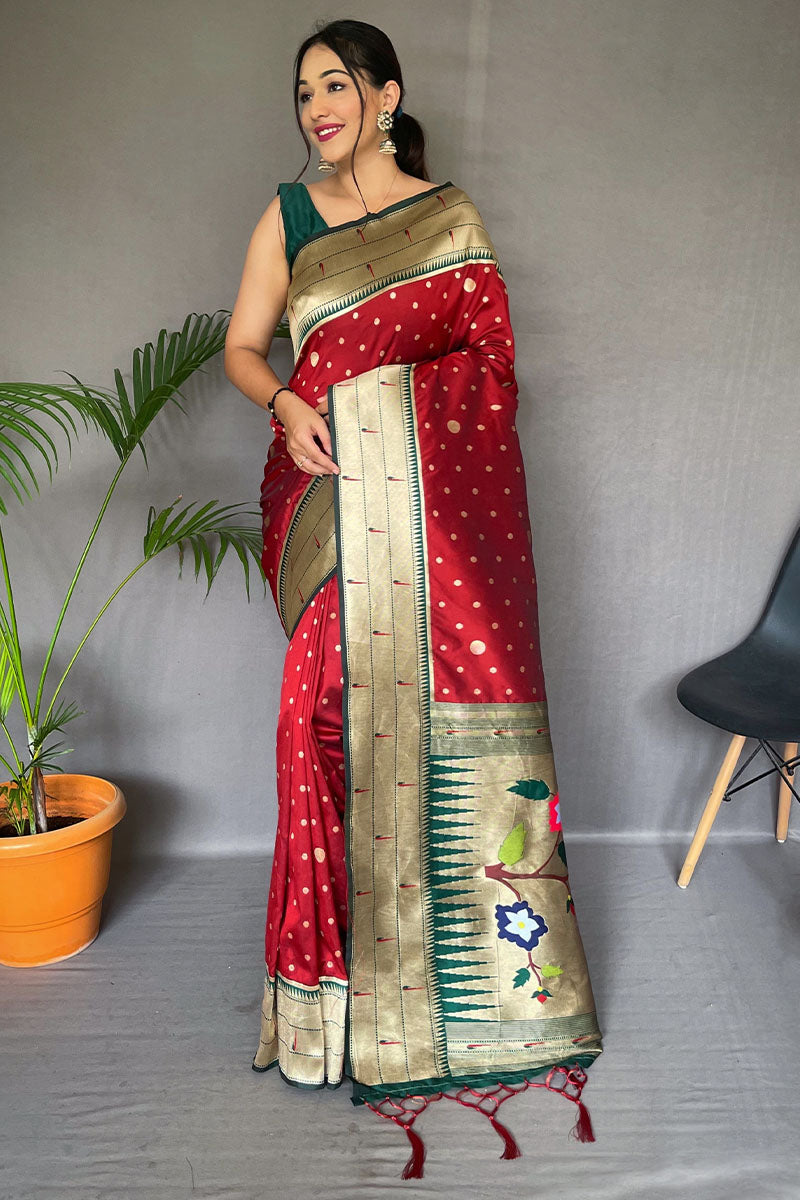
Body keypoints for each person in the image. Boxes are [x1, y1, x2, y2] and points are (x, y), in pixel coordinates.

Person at [224, 18, 603, 1180]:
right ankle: (333, 999)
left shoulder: (447, 219)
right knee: (317, 722)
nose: (316, 107)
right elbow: (244, 348)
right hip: (323, 503)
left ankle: (459, 997)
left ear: (385, 96)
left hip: (431, 517)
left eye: (335, 85)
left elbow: (490, 370)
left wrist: (382, 413)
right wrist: (286, 403)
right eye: (303, 91)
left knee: (411, 727)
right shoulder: (286, 220)